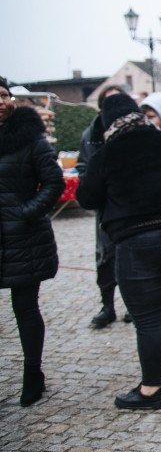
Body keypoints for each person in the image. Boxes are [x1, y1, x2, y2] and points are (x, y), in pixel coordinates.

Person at [75, 93, 161, 410]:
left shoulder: (107, 153)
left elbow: (87, 197)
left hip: (134, 243)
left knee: (148, 321)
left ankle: (150, 390)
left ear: (107, 122)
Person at [0, 78, 63, 406]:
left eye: (3, 95)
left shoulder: (30, 137)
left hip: (23, 236)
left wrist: (26, 212)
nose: (0, 101)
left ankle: (32, 373)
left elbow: (53, 182)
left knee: (24, 307)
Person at [77, 84, 127, 328]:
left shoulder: (132, 131)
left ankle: (131, 304)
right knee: (105, 256)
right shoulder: (92, 134)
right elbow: (82, 166)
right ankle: (107, 305)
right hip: (104, 205)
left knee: (128, 254)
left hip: (128, 205)